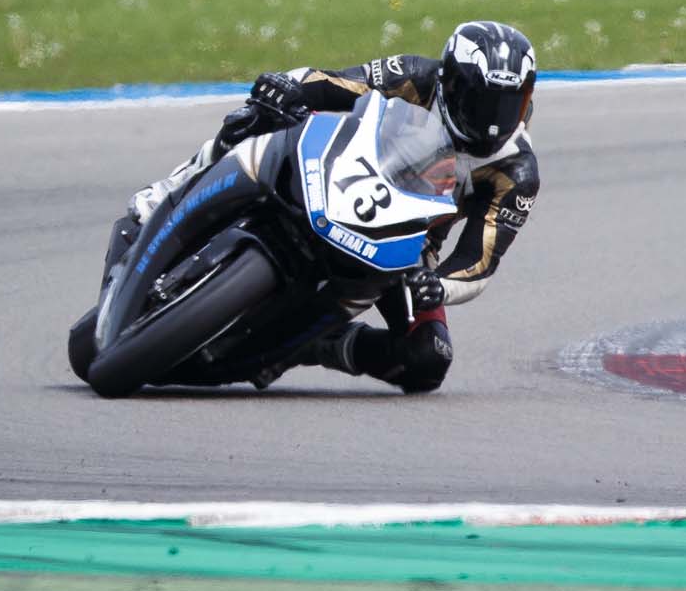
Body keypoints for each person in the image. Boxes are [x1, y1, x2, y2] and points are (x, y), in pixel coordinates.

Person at [110, 21, 540, 394]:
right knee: (255, 118)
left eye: (508, 104)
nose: (492, 120)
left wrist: (437, 284)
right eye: (481, 100)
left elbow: (479, 260)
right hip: (341, 169)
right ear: (450, 82)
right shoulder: (416, 76)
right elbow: (335, 82)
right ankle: (167, 194)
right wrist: (287, 87)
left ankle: (318, 344)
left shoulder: (517, 171)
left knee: (428, 358)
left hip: (408, 244)